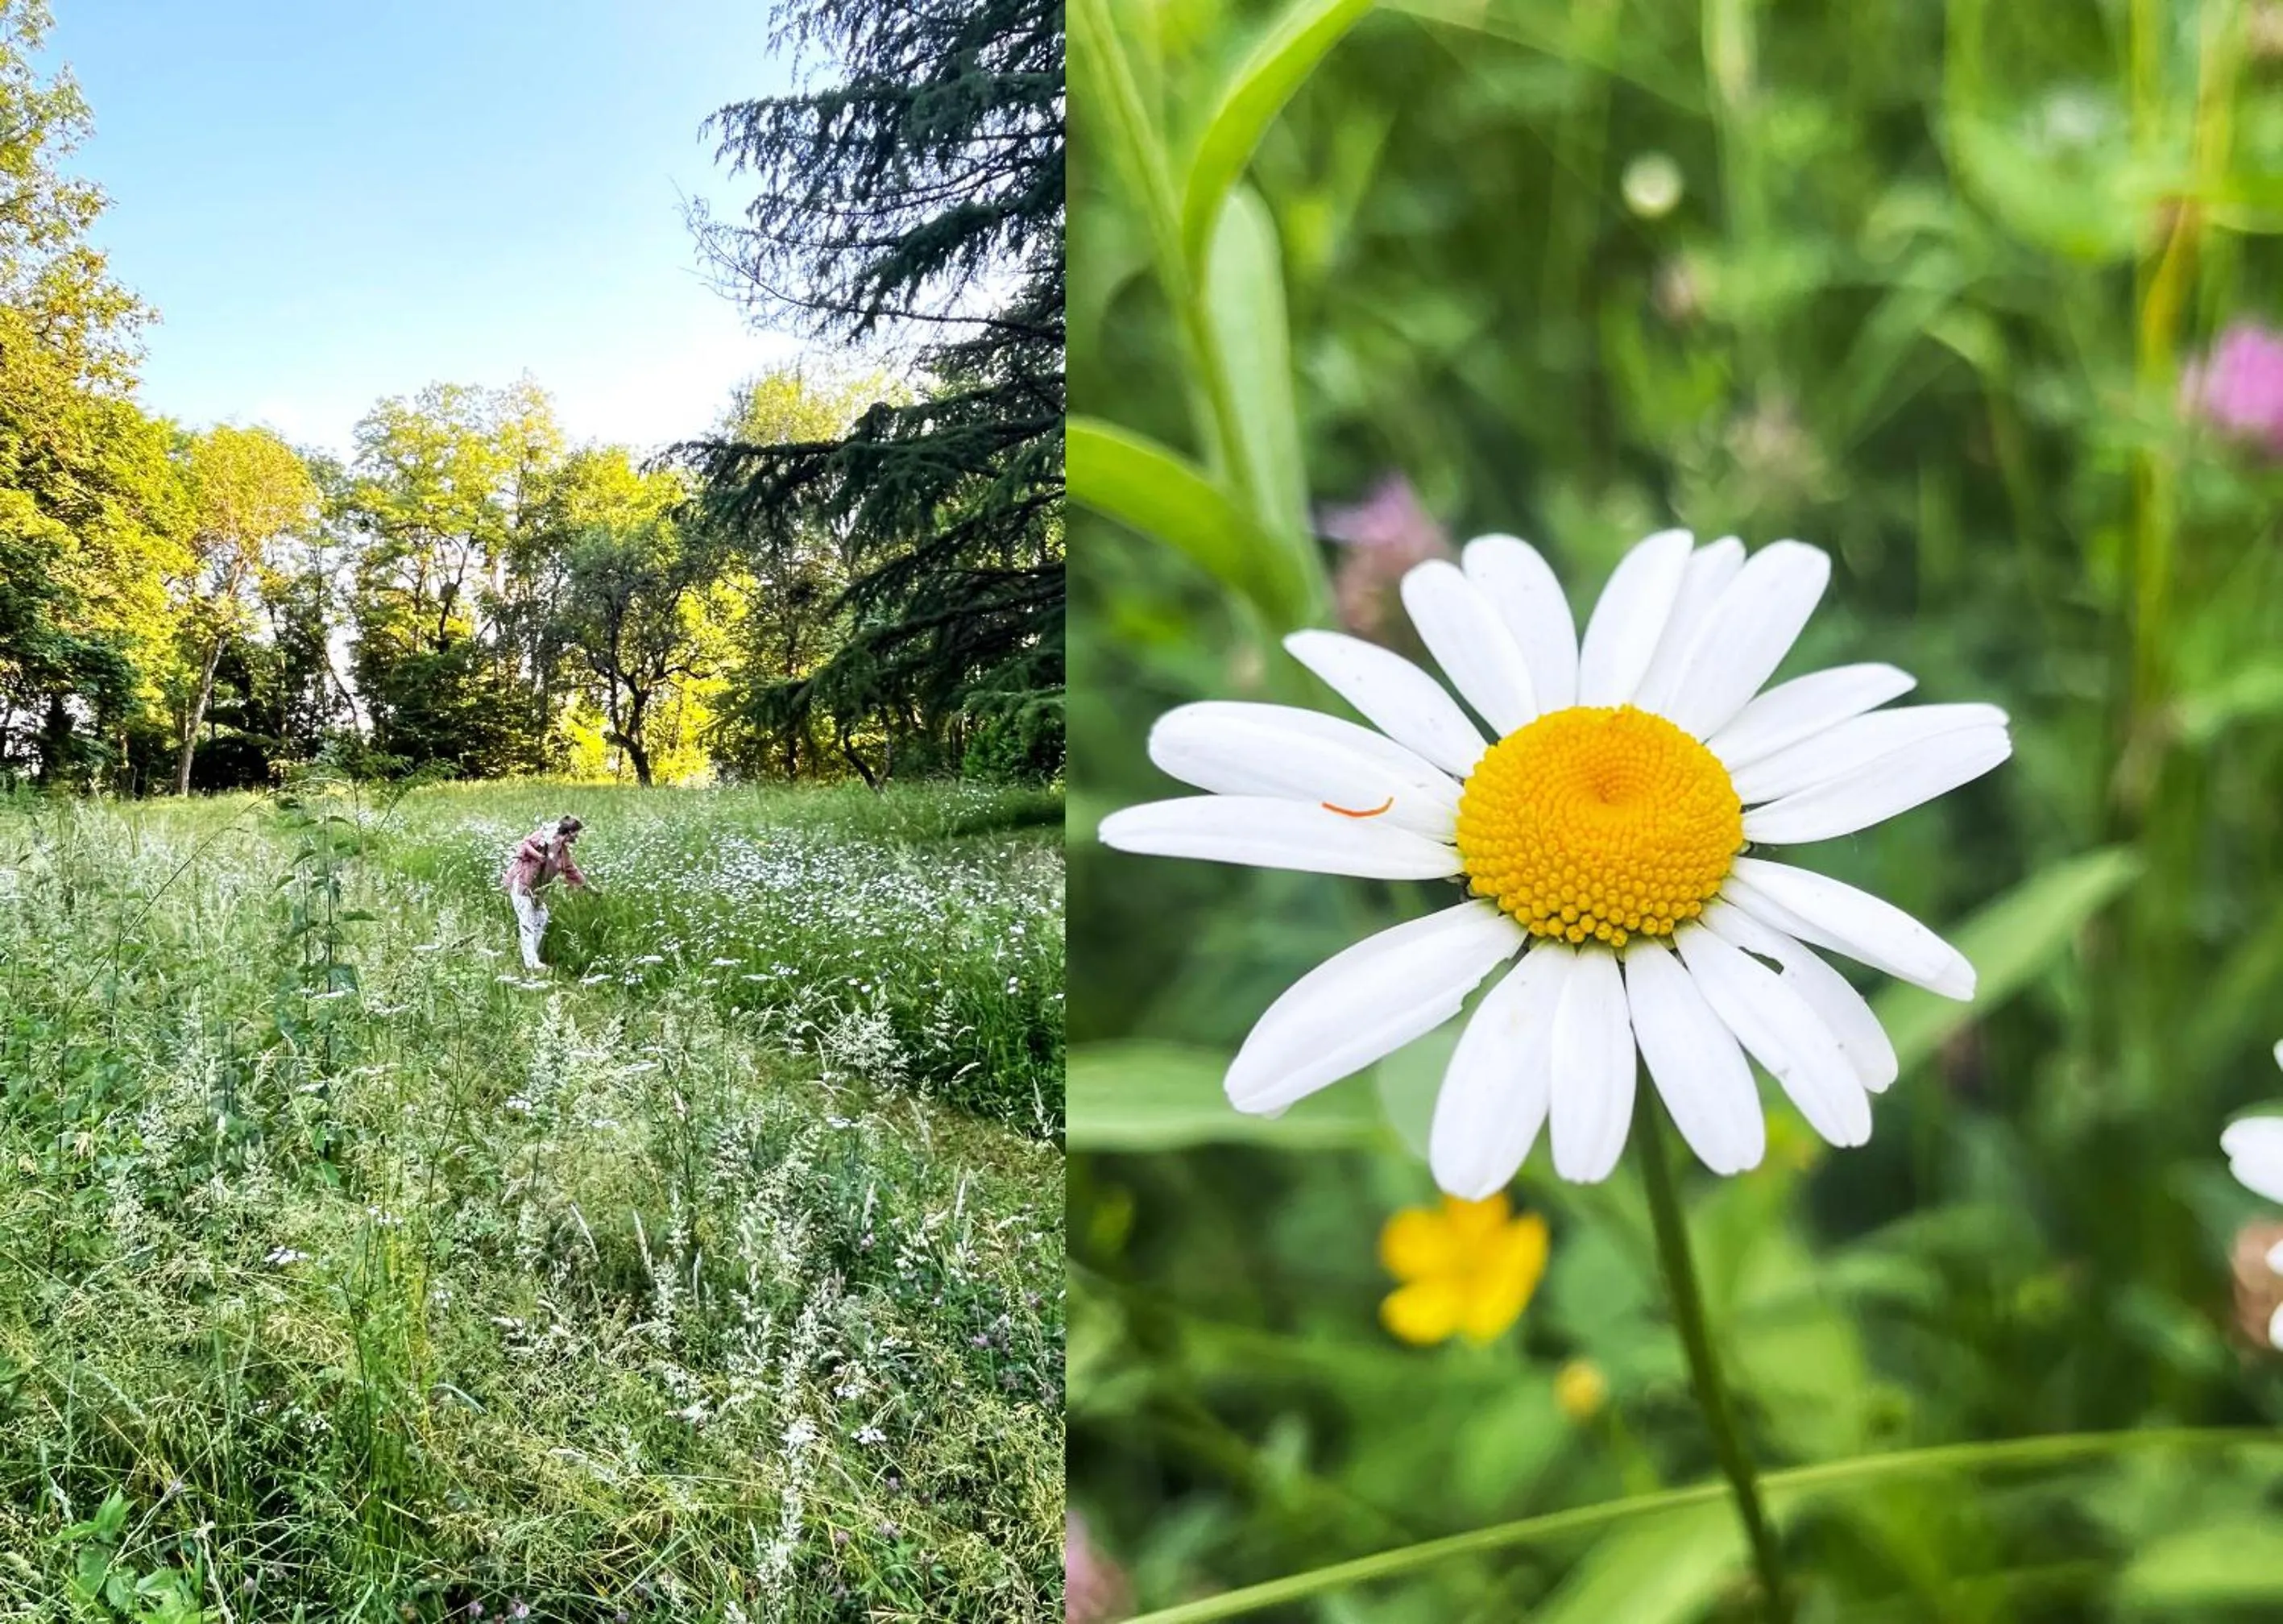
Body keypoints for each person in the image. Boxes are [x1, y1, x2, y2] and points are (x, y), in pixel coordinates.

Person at [503, 814, 587, 971]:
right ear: (570, 832)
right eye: (577, 833)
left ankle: (532, 958)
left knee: (542, 917)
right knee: (527, 922)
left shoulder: (562, 851)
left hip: (537, 891)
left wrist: (587, 887)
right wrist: (538, 856)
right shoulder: (544, 837)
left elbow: (571, 870)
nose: (577, 836)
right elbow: (524, 845)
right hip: (522, 884)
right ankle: (531, 964)